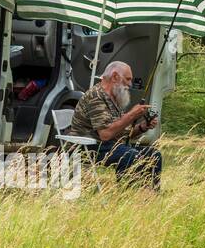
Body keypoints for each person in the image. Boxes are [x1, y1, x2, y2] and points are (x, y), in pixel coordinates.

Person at [65, 60, 162, 188]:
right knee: (130, 155)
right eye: (128, 79)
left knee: (153, 154)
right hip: (89, 147)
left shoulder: (113, 98)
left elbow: (121, 134)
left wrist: (142, 127)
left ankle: (151, 193)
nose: (130, 84)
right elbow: (105, 134)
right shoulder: (96, 96)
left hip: (106, 145)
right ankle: (129, 194)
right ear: (115, 77)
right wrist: (131, 114)